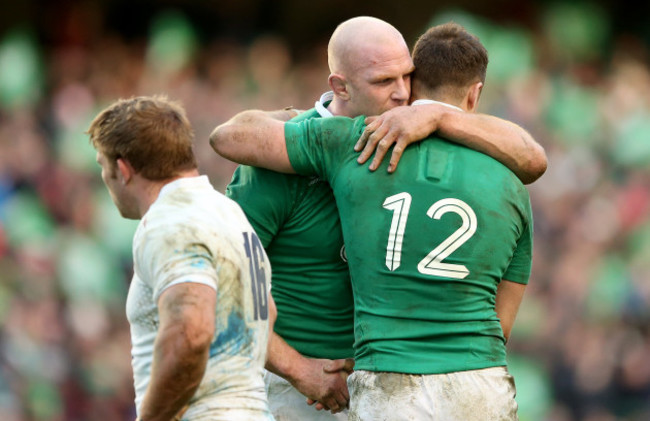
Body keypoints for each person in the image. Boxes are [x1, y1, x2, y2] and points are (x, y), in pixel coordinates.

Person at [213, 17, 545, 419]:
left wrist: (440, 117)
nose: (403, 93)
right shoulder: (286, 158)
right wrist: (295, 368)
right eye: (384, 81)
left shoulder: (411, 140)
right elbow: (226, 275)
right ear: (340, 87)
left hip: (380, 384)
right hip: (296, 389)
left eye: (408, 76)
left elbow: (532, 157)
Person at [86, 95, 276, 421]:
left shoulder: (168, 222)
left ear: (123, 169)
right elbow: (266, 313)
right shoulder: (228, 212)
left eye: (103, 167)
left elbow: (191, 332)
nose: (106, 179)